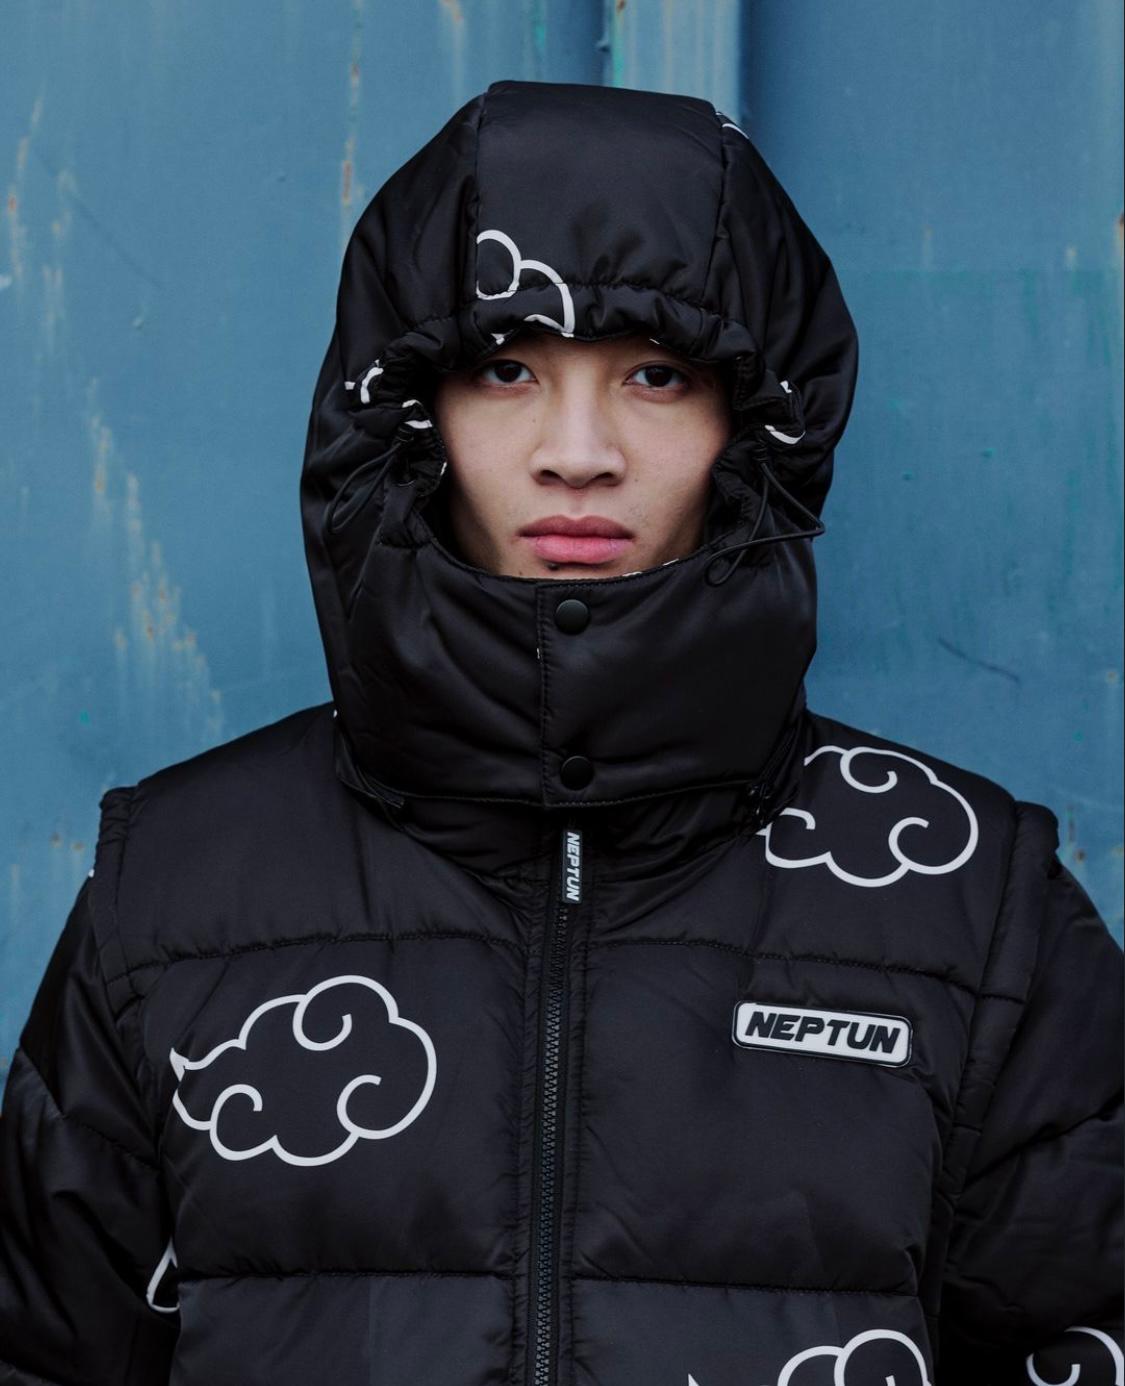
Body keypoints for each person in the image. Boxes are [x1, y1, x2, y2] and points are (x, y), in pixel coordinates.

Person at [0, 78, 1120, 1386]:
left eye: (655, 374)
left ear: (754, 420)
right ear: (406, 410)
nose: (576, 451)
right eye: (505, 368)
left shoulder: (970, 900)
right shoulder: (178, 881)